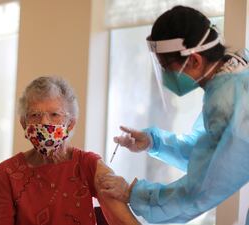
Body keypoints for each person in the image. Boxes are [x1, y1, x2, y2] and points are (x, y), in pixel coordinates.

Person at [98, 5, 249, 224]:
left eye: (167, 68)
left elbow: (202, 188)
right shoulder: (237, 72)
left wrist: (134, 194)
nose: (167, 77)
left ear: (195, 60)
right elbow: (210, 150)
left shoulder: (227, 100)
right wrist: (154, 142)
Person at [0, 76, 140, 225]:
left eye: (54, 114)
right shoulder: (6, 173)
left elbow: (123, 220)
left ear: (70, 123)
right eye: (35, 115)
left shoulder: (88, 165)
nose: (44, 122)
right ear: (23, 123)